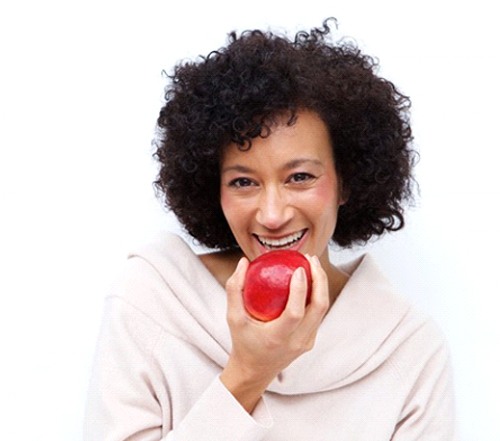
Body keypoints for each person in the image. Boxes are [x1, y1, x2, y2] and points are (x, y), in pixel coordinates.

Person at [84, 19, 456, 440]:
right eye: (244, 182)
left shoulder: (409, 350)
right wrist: (247, 373)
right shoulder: (151, 300)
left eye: (299, 177)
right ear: (213, 188)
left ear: (347, 181)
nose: (273, 214)